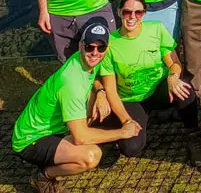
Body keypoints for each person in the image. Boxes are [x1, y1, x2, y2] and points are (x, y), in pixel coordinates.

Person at [12, 17, 141, 192]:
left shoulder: (85, 60)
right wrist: (121, 133)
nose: (95, 52)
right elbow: (81, 138)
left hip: (54, 127)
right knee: (91, 156)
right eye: (90, 47)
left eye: (101, 47)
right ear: (81, 45)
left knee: (92, 128)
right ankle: (44, 176)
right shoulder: (71, 83)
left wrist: (100, 92)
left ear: (107, 48)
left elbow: (95, 79)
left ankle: (68, 144)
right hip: (31, 140)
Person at [96, 0, 201, 164]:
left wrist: (173, 76)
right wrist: (126, 121)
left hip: (158, 90)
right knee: (130, 149)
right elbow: (111, 90)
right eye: (127, 12)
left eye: (138, 13)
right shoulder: (110, 44)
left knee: (185, 89)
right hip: (132, 99)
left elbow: (174, 63)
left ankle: (193, 136)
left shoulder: (156, 29)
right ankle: (139, 121)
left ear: (144, 14)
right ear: (118, 12)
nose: (132, 17)